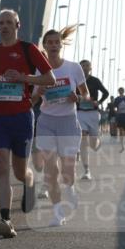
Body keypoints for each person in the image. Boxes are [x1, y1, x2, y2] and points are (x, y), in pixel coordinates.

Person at [0, 9, 55, 238]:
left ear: (17, 25)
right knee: (2, 166)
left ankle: (30, 180)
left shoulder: (28, 49)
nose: (3, 26)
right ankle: (5, 218)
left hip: (21, 116)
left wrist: (24, 78)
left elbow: (49, 79)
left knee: (20, 171)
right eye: (0, 23)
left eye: (8, 22)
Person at [31, 27, 89, 226]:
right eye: (50, 42)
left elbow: (87, 95)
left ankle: (70, 188)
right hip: (46, 121)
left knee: (67, 171)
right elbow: (31, 101)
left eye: (57, 42)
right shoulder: (39, 70)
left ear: (61, 45)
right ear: (44, 46)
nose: (54, 45)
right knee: (50, 169)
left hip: (68, 123)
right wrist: (38, 91)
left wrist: (78, 98)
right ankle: (58, 213)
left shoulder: (74, 68)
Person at [77, 59, 109, 181]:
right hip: (80, 113)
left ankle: (97, 143)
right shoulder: (76, 80)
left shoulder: (95, 80)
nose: (84, 68)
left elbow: (106, 93)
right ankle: (86, 171)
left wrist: (98, 102)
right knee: (83, 140)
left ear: (90, 68)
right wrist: (77, 99)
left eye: (87, 66)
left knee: (93, 145)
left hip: (93, 113)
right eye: (82, 66)